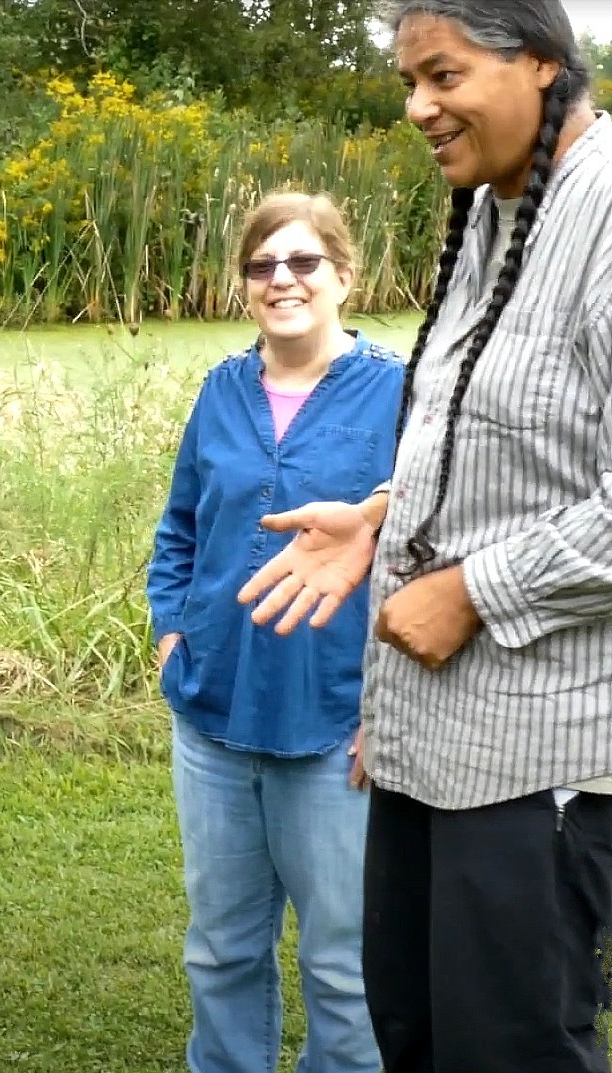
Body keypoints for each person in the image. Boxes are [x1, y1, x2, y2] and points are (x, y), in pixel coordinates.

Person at [236, 3, 612, 1070]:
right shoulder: (495, 212)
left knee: (513, 1049)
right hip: (437, 742)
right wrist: (381, 517)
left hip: (546, 761)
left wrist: (471, 591)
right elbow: (502, 440)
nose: (419, 107)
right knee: (420, 1036)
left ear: (541, 64)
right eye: (409, 81)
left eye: (444, 74)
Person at [147, 190, 398, 1073]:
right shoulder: (220, 390)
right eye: (262, 265)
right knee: (220, 949)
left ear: (344, 273)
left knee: (342, 962)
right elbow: (179, 527)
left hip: (336, 725)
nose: (281, 279)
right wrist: (171, 634)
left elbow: (431, 552)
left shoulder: (401, 395)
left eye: (302, 262)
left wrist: (390, 707)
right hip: (212, 715)